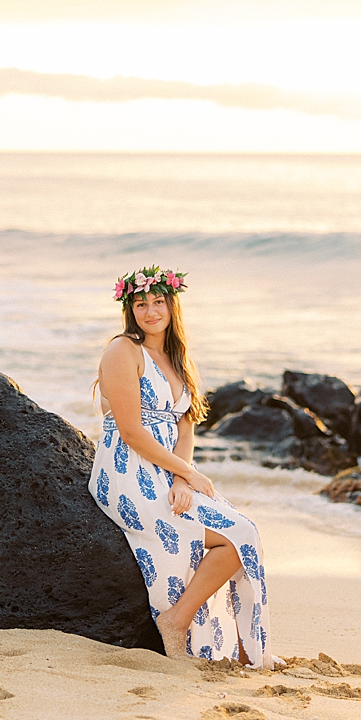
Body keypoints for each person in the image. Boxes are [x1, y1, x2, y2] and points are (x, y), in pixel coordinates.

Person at [90, 265, 277, 667]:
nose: (150, 311)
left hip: (166, 471)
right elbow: (131, 431)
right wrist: (189, 472)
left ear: (172, 306)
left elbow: (185, 430)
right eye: (141, 303)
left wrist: (181, 478)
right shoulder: (123, 350)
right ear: (130, 309)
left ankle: (243, 648)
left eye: (159, 302)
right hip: (126, 472)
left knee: (244, 532)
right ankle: (176, 620)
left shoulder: (178, 359)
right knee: (238, 534)